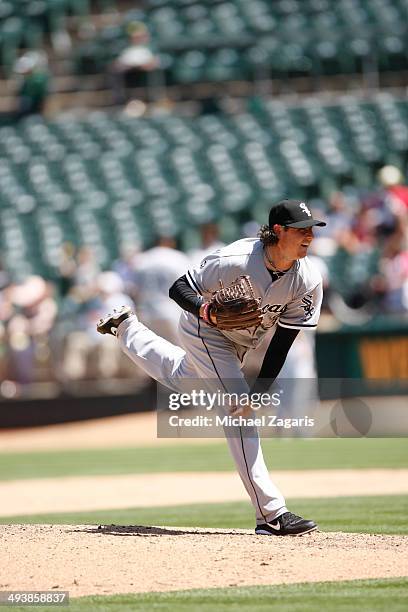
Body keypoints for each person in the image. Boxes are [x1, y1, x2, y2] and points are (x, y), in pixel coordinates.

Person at [97, 199, 326, 536]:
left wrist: (260, 392)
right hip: (204, 330)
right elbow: (179, 287)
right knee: (237, 408)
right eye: (300, 229)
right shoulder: (234, 260)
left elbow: (282, 342)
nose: (309, 236)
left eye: (311, 230)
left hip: (241, 343)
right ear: (278, 231)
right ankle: (271, 514)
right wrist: (206, 310)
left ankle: (126, 327)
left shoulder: (306, 280)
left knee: (183, 377)